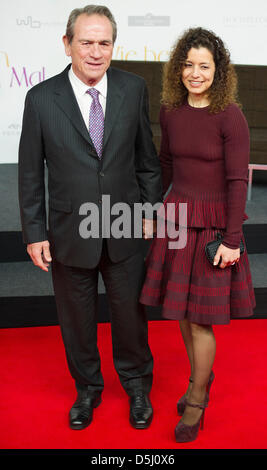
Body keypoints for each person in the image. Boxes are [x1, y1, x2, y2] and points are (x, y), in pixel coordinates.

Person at [18, 4, 162, 430]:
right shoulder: (41, 98)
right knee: (76, 319)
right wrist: (33, 232)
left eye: (104, 42)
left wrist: (150, 213)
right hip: (68, 232)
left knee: (130, 317)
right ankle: (87, 390)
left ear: (113, 46)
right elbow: (29, 173)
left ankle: (137, 386)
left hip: (124, 227)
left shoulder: (134, 88)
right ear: (67, 45)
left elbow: (147, 161)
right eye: (86, 42)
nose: (96, 52)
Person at [140, 27, 256, 443]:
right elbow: (166, 164)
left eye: (203, 66)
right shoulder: (171, 111)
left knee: (202, 320)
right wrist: (151, 209)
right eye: (188, 65)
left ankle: (196, 398)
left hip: (213, 226)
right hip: (175, 221)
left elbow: (237, 181)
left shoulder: (230, 116)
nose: (194, 73)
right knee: (183, 315)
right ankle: (201, 379)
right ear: (179, 69)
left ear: (217, 71)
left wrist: (231, 239)